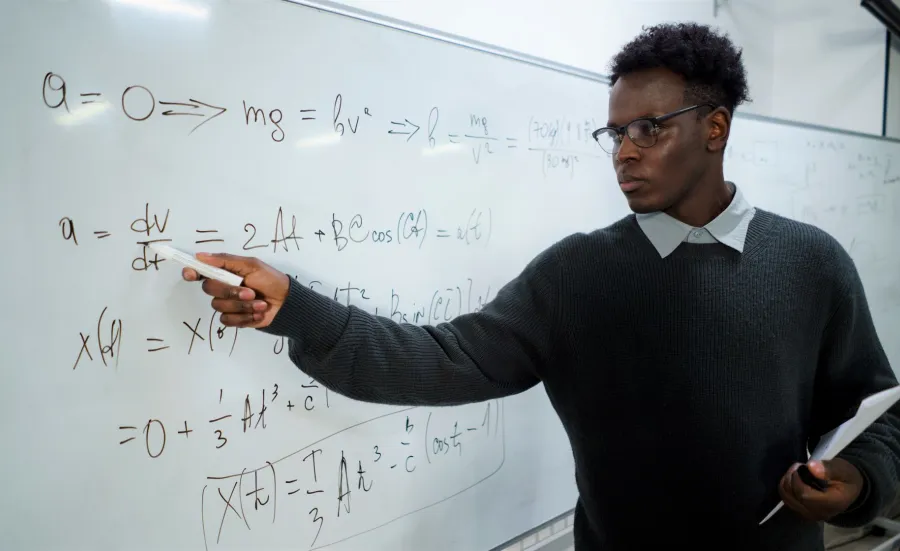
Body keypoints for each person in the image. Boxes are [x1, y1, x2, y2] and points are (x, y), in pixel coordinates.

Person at [182, 22, 900, 550]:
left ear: (715, 128)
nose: (623, 151)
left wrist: (860, 482)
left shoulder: (811, 263)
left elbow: (879, 414)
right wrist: (297, 308)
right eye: (614, 132)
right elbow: (445, 357)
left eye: (650, 129)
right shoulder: (575, 275)